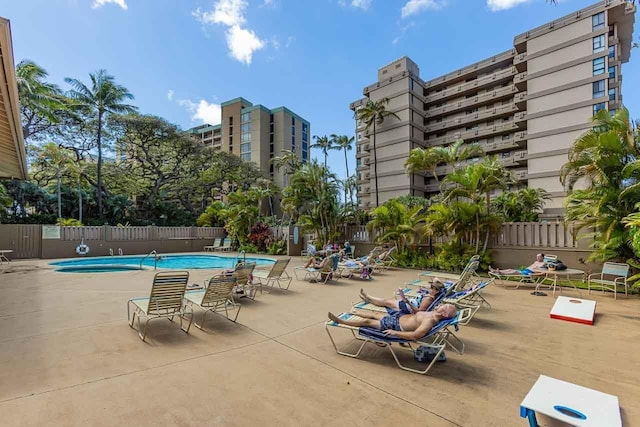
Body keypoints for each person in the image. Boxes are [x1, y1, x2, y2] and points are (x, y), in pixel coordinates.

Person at [328, 304, 458, 340]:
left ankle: (341, 321)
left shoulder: (429, 321)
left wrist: (394, 332)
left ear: (444, 314)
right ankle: (354, 312)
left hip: (396, 326)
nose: (442, 304)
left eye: (445, 306)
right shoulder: (432, 313)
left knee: (368, 322)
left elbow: (415, 335)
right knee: (376, 314)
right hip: (398, 318)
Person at [359, 278, 446, 314]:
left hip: (408, 307)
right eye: (431, 287)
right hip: (408, 304)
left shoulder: (428, 300)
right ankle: (368, 299)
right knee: (386, 301)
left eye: (432, 288)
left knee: (385, 302)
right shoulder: (431, 295)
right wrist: (422, 292)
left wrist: (407, 302)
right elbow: (436, 279)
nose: (430, 288)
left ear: (436, 291)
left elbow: (419, 312)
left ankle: (368, 297)